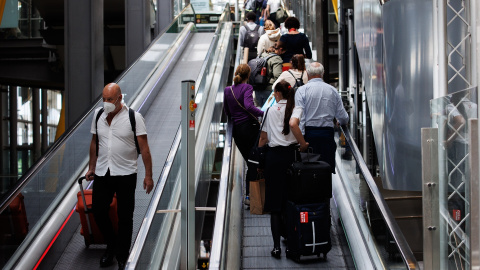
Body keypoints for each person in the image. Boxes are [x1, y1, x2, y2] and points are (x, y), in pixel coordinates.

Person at [85, 83, 154, 270]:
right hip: (102, 171)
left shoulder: (134, 117)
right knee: (98, 210)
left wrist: (148, 176)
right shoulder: (98, 115)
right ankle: (111, 244)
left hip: (126, 173)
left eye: (110, 100)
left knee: (125, 216)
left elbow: (145, 149)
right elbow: (94, 142)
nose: (106, 103)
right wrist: (92, 166)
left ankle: (122, 255)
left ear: (119, 99)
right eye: (104, 99)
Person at [257, 80, 297, 258]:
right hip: (291, 159)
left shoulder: (270, 110)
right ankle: (290, 245)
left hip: (274, 160)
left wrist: (259, 159)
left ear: (278, 94)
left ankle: (276, 247)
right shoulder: (295, 110)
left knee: (275, 206)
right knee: (289, 203)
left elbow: (263, 139)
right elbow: (298, 131)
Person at [289, 62, 349, 172]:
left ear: (307, 73)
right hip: (327, 136)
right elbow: (343, 117)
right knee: (326, 170)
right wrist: (340, 121)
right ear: (323, 73)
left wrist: (301, 141)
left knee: (308, 172)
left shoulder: (302, 90)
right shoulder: (332, 90)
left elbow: (301, 118)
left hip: (309, 136)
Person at [224, 64, 264, 204]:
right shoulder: (247, 87)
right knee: (255, 161)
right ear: (248, 75)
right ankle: (250, 195)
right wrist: (263, 113)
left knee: (250, 160)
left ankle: (250, 194)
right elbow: (248, 106)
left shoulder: (228, 90)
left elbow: (227, 111)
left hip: (237, 130)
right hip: (249, 128)